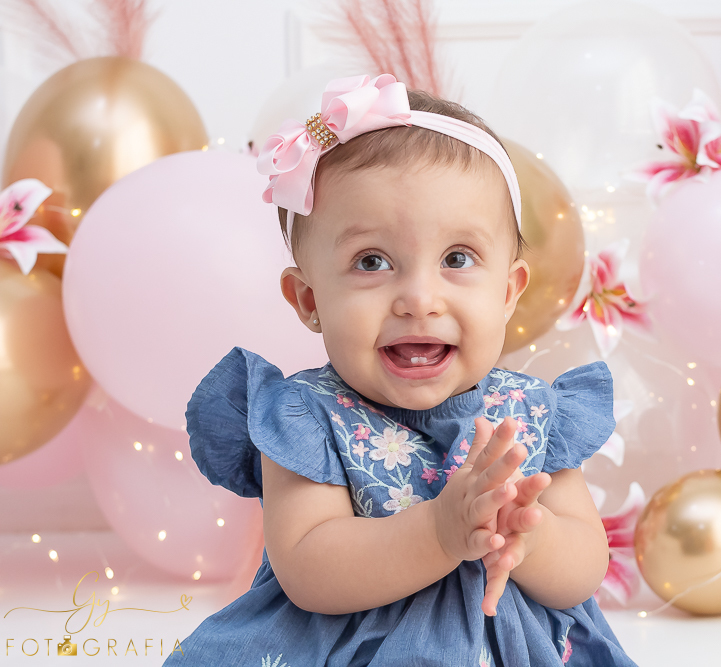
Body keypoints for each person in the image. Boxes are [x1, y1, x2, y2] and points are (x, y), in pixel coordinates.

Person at [164, 74, 637, 667]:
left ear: (509, 290)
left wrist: (530, 536)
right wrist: (440, 532)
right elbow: (312, 570)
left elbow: (583, 571)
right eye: (372, 261)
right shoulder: (306, 416)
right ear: (309, 300)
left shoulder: (530, 414)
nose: (419, 298)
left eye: (457, 259)